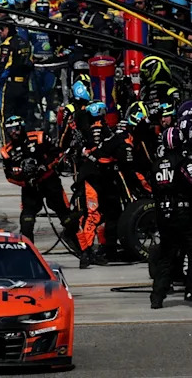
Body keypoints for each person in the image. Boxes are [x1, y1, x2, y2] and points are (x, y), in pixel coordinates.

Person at [150, 124, 192, 308]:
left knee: (166, 255)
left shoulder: (156, 164)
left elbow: (152, 186)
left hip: (163, 212)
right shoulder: (184, 162)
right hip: (183, 212)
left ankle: (157, 297)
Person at [0, 116, 75, 243]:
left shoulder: (39, 137)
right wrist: (25, 180)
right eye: (10, 130)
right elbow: (9, 176)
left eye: (16, 129)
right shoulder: (7, 151)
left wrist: (44, 167)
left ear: (22, 127)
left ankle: (84, 250)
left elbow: (57, 154)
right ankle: (28, 252)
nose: (13, 132)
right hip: (30, 187)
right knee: (26, 221)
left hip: (50, 181)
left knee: (66, 217)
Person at [74, 101, 125, 268]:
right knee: (95, 214)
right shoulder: (106, 131)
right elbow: (109, 153)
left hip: (98, 178)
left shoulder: (86, 131)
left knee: (100, 214)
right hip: (97, 178)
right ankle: (88, 251)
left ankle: (96, 249)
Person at [0, 21, 34, 141]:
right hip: (24, 86)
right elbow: (30, 63)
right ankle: (24, 150)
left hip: (10, 86)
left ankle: (8, 151)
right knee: (22, 119)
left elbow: (4, 69)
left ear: (7, 29)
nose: (1, 32)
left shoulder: (7, 45)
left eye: (2, 29)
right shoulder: (25, 42)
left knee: (4, 119)